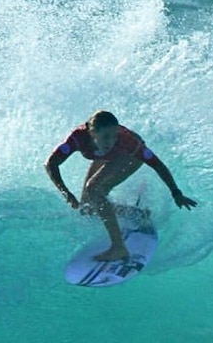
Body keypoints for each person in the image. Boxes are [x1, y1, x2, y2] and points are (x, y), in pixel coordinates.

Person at [45, 110, 197, 261]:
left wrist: (176, 192)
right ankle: (136, 213)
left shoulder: (127, 142)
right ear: (92, 133)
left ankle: (118, 248)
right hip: (104, 157)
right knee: (88, 208)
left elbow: (157, 164)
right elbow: (51, 164)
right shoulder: (77, 139)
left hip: (128, 156)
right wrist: (66, 192)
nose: (111, 141)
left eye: (114, 136)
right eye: (106, 137)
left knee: (94, 190)